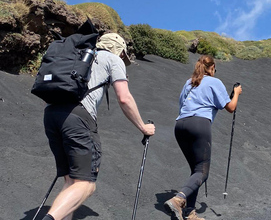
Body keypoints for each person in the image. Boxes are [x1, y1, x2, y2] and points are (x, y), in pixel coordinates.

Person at [41, 33, 155, 220]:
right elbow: (124, 98)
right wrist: (143, 127)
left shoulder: (77, 55)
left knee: (71, 180)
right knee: (86, 183)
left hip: (51, 113)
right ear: (119, 51)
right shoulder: (112, 59)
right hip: (78, 117)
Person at [164, 55, 242, 220]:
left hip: (180, 125)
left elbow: (182, 105)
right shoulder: (215, 82)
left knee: (196, 169)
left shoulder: (189, 82)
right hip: (199, 125)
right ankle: (178, 199)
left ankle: (189, 212)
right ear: (212, 67)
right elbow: (231, 108)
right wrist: (236, 93)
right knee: (202, 172)